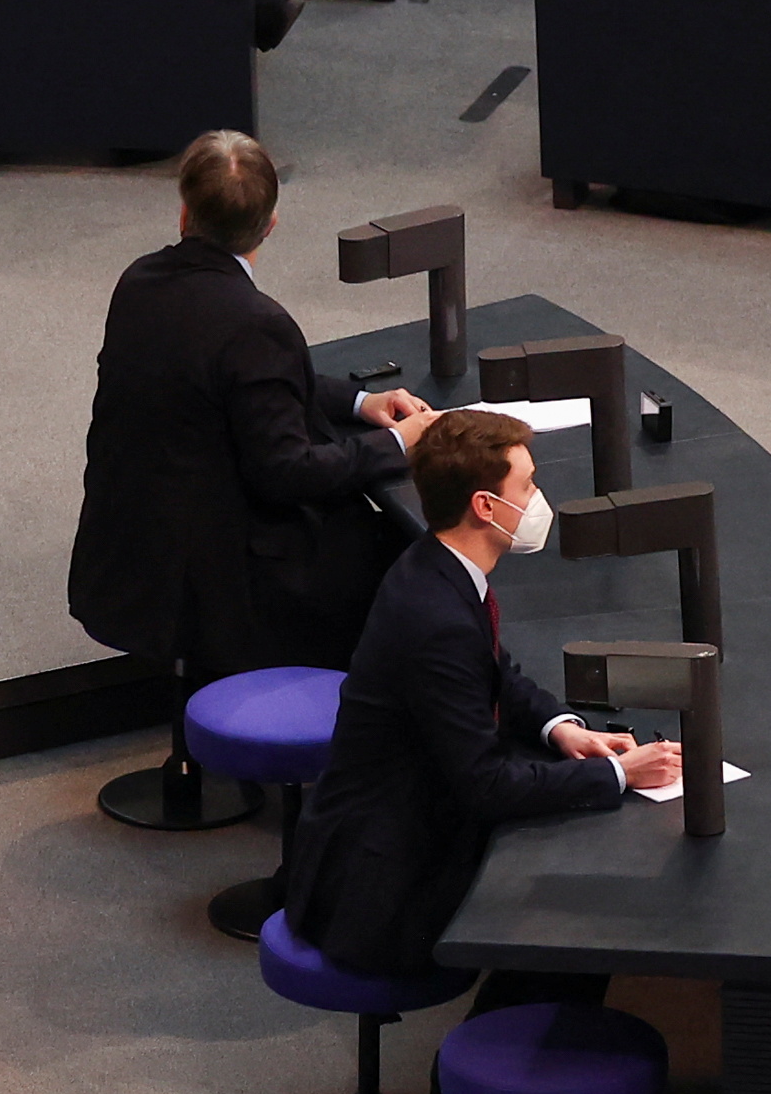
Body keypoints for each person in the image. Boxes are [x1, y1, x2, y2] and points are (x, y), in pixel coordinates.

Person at [291, 408, 682, 992]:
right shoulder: (436, 617)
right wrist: (618, 774)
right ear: (484, 506)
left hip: (386, 829)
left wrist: (562, 728)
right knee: (582, 896)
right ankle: (508, 1053)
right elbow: (486, 785)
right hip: (386, 889)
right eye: (526, 486)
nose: (537, 498)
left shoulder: (434, 569)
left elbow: (496, 672)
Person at [68, 129, 432, 717]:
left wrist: (360, 403)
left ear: (185, 210)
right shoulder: (256, 321)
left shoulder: (138, 283)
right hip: (215, 576)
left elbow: (231, 382)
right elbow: (286, 472)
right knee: (403, 550)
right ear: (271, 225)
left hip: (129, 551)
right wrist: (396, 444)